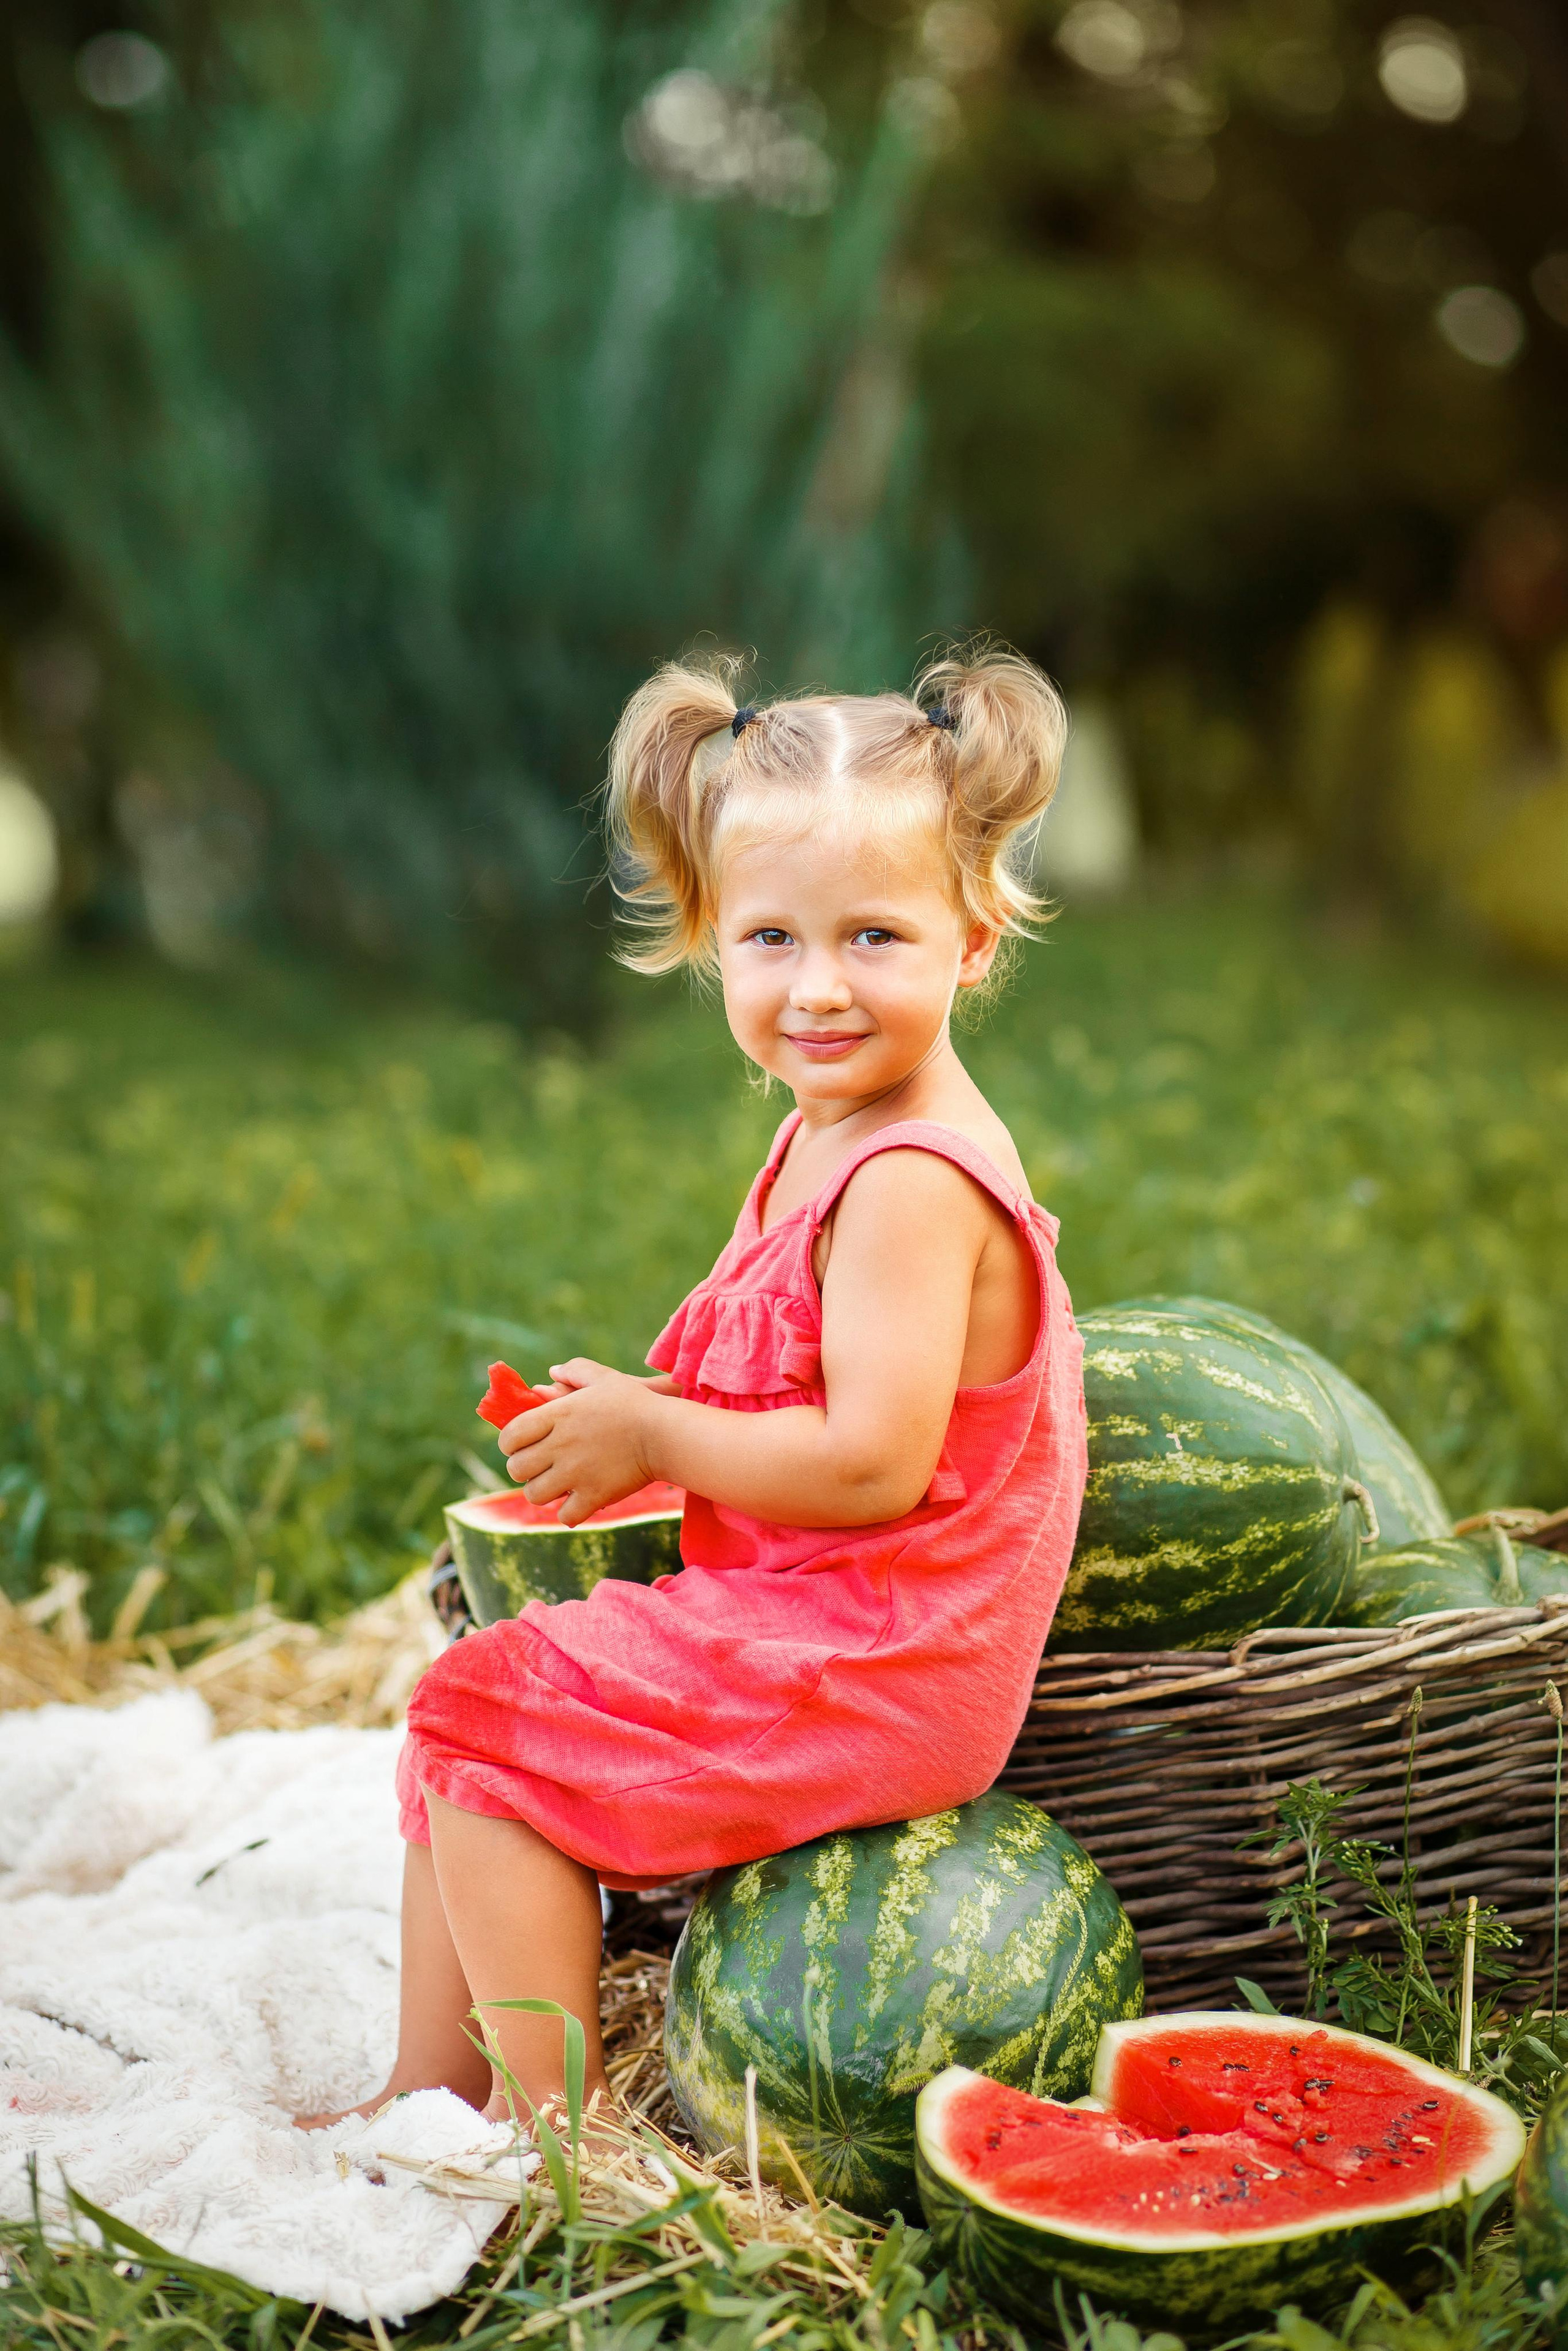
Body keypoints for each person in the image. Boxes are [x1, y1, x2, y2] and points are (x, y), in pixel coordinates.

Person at [298, 647, 1087, 2132]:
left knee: (485, 1731)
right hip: (819, 1610)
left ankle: (554, 2150)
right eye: (773, 938)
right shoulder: (829, 1129)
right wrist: (634, 1417)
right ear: (714, 938)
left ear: (973, 939)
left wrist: (661, 1432)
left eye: (875, 936)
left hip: (887, 1654)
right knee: (460, 1716)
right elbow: (790, 1379)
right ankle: (428, 2092)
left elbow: (870, 1467)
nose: (819, 987)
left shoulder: (913, 1176)